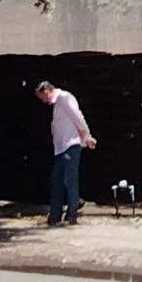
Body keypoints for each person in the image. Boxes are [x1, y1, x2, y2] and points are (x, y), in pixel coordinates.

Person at [34, 81, 96, 226]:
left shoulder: (64, 98)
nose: (43, 100)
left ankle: (71, 215)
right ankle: (55, 215)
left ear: (47, 91)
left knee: (70, 181)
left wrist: (87, 136)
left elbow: (77, 117)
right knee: (56, 181)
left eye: (42, 97)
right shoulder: (58, 103)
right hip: (61, 148)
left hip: (71, 145)